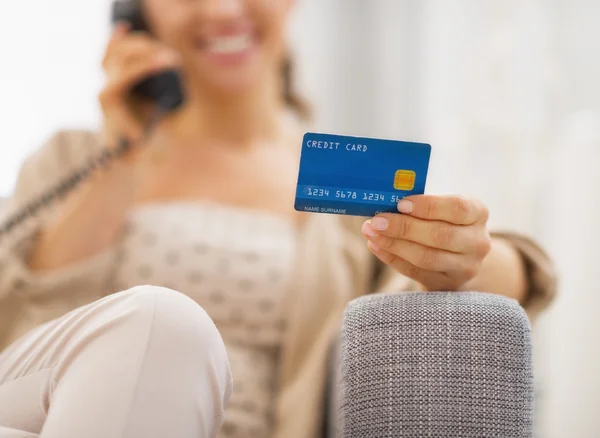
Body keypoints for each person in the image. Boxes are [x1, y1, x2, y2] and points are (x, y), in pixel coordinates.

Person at [0, 0, 557, 437]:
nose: (220, 9)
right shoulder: (73, 159)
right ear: (137, 14)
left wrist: (466, 253)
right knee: (163, 324)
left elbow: (495, 282)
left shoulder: (345, 193)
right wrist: (119, 163)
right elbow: (20, 321)